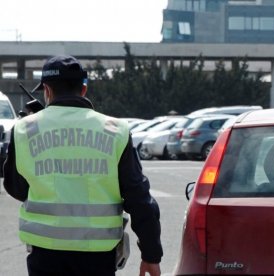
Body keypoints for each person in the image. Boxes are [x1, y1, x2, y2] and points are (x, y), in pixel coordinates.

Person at [3, 55, 163, 276]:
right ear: (83, 89)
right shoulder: (115, 130)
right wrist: (151, 254)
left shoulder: (23, 130)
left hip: (45, 253)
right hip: (98, 255)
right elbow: (139, 198)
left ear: (47, 91)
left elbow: (17, 188)